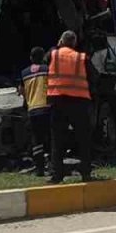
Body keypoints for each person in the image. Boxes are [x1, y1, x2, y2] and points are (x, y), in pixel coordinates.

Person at [47, 31, 98, 184]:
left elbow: (45, 62)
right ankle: (86, 173)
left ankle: (57, 175)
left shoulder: (53, 54)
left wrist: (58, 45)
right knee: (83, 139)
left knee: (57, 139)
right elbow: (94, 77)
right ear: (75, 43)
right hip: (79, 102)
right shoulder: (82, 58)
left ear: (61, 41)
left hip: (58, 101)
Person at [19, 46, 51, 176]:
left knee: (36, 140)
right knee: (50, 137)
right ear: (43, 57)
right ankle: (52, 164)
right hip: (47, 108)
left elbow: (21, 91)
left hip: (32, 109)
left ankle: (39, 169)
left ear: (31, 58)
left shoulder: (24, 73)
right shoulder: (47, 70)